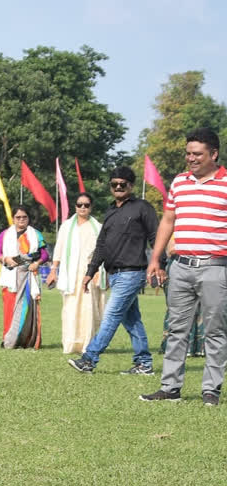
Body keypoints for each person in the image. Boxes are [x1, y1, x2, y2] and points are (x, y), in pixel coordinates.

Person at [141, 128, 227, 406]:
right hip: (180, 267)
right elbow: (167, 221)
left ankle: (211, 389)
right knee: (177, 329)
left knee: (215, 330)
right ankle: (170, 387)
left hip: (216, 268)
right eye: (188, 153)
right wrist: (156, 259)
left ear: (213, 154)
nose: (191, 158)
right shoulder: (179, 183)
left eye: (197, 154)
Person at [68, 166, 160, 375]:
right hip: (114, 273)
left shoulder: (142, 208)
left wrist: (159, 263)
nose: (118, 187)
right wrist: (90, 271)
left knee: (110, 316)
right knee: (132, 321)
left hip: (133, 272)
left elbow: (156, 236)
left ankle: (88, 359)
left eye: (123, 184)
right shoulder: (110, 211)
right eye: (114, 184)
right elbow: (102, 244)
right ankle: (144, 364)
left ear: (131, 185)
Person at [46, 193, 107, 354]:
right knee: (70, 308)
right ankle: (71, 343)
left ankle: (89, 344)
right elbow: (59, 248)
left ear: (91, 207)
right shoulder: (66, 226)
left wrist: (100, 272)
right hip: (70, 273)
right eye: (79, 204)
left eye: (86, 205)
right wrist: (53, 270)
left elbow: (103, 252)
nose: (82, 208)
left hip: (90, 272)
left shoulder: (98, 227)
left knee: (89, 309)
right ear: (75, 206)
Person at [0, 205, 49, 349]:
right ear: (13, 219)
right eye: (18, 217)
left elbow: (45, 255)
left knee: (29, 309)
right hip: (10, 276)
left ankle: (28, 340)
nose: (21, 220)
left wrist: (37, 263)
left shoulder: (35, 235)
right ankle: (8, 339)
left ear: (28, 218)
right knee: (9, 309)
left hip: (29, 276)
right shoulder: (5, 234)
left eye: (24, 217)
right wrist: (6, 260)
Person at [158, 237, 204, 357]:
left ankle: (198, 348)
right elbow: (171, 250)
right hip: (179, 267)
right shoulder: (177, 230)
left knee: (202, 311)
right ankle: (177, 347)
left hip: (203, 267)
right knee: (177, 310)